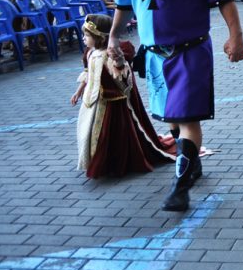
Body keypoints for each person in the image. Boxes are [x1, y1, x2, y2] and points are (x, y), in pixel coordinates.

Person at [109, 0, 243, 212]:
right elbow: (124, 4)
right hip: (154, 55)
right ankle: (192, 165)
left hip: (191, 51)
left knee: (186, 118)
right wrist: (113, 36)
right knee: (170, 117)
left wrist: (236, 36)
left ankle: (181, 186)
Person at [72, 14, 177, 178]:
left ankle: (115, 162)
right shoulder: (90, 53)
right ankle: (101, 161)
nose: (83, 38)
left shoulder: (109, 55)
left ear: (99, 36)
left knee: (111, 134)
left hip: (112, 103)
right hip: (94, 101)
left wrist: (119, 63)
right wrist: (79, 91)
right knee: (91, 132)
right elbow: (88, 74)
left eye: (87, 35)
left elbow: (121, 76)